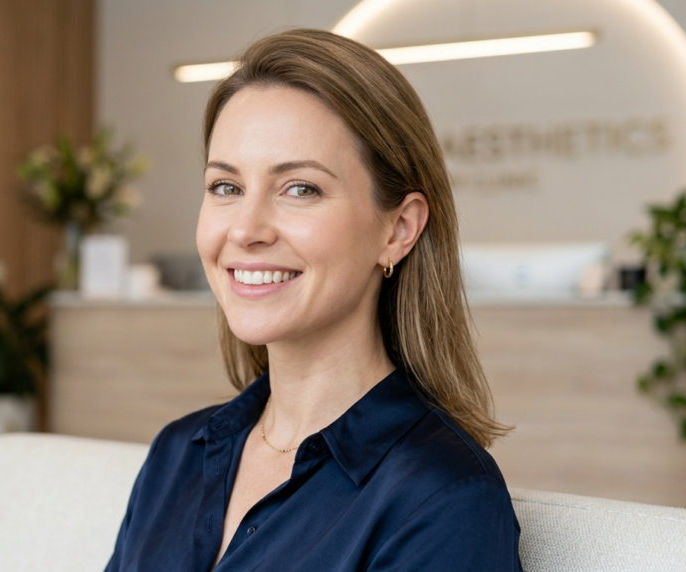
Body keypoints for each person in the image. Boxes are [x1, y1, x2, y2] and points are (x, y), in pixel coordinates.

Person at [105, 28, 522, 572]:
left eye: (300, 188)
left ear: (398, 229)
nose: (246, 230)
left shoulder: (444, 499)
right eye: (226, 187)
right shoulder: (178, 453)